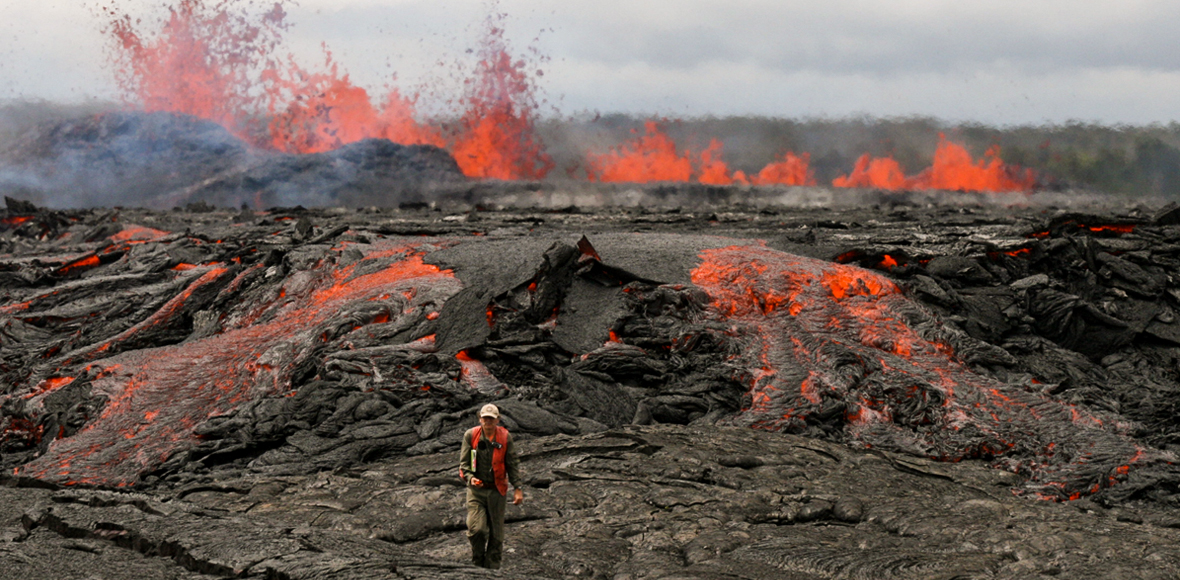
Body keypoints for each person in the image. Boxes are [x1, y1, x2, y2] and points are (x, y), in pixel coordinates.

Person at [458, 403, 523, 569]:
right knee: (477, 530)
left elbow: (512, 463)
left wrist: (517, 488)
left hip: (497, 490)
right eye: (485, 418)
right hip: (476, 492)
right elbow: (464, 464)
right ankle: (477, 563)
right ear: (480, 419)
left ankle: (492, 569)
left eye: (491, 419)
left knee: (497, 535)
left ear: (497, 420)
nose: (488, 421)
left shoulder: (505, 437)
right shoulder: (471, 435)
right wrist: (471, 478)